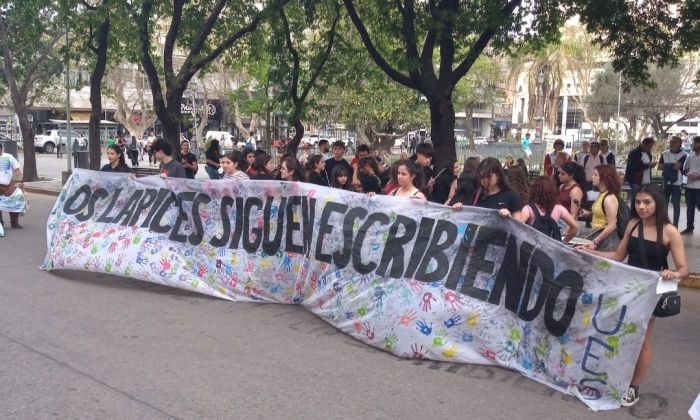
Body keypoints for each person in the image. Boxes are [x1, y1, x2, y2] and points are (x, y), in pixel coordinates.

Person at [579, 185, 687, 407]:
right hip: (627, 290)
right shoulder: (632, 224)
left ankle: (633, 388)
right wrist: (591, 253)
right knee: (619, 334)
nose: (641, 207)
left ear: (658, 203)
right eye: (638, 202)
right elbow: (619, 256)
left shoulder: (669, 231)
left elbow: (684, 268)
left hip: (650, 293)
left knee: (642, 340)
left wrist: (673, 273)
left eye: (647, 202)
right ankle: (616, 378)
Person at [519, 177, 579, 242]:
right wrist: (565, 241)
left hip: (532, 248)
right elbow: (575, 227)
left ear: (534, 191)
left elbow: (518, 226)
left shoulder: (528, 208)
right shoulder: (559, 208)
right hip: (551, 249)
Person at [578, 165, 621, 251]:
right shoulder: (601, 194)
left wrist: (595, 242)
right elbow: (602, 213)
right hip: (596, 235)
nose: (592, 177)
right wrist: (588, 213)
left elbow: (612, 225)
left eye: (595, 174)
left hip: (605, 240)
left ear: (605, 177)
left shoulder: (609, 198)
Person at [657, 136, 687, 227]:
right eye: (671, 142)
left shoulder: (683, 154)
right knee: (664, 203)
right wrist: (672, 165)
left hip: (677, 183)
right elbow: (659, 167)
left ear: (679, 144)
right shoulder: (664, 154)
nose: (671, 143)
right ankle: (664, 223)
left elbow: (677, 167)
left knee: (676, 203)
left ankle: (675, 225)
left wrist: (667, 166)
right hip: (666, 181)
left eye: (674, 142)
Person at [624, 137, 656, 206]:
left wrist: (650, 166)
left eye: (651, 147)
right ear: (644, 144)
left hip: (646, 180)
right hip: (636, 180)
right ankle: (633, 214)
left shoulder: (648, 153)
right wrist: (648, 166)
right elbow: (632, 167)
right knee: (636, 198)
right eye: (649, 146)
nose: (650, 148)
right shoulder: (634, 153)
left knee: (644, 199)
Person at [0, 142, 24, 229]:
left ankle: (14, 222)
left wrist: (21, 180)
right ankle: (0, 224)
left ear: (1, 148)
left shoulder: (9, 157)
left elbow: (16, 168)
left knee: (13, 202)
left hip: (8, 185)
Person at [682, 136, 700, 235]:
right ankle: (689, 228)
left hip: (699, 188)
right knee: (690, 208)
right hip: (689, 186)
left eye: (695, 143)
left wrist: (698, 177)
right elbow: (685, 170)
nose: (693, 145)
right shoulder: (690, 157)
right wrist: (687, 174)